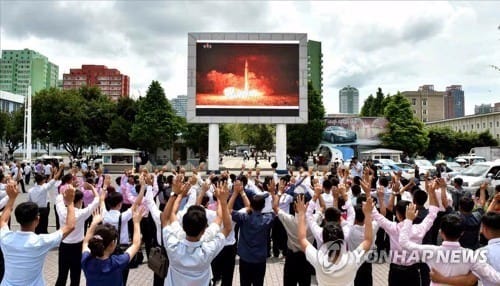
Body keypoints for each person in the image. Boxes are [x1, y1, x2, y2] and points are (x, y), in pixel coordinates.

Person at [400, 205, 500, 286]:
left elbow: (404, 243)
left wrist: (409, 220)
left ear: (441, 233)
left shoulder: (430, 251)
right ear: (462, 233)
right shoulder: (471, 255)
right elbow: (496, 278)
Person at [0, 181, 76, 285]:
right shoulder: (41, 241)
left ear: (17, 219)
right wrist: (70, 203)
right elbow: (70, 226)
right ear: (37, 219)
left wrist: (12, 198)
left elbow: (3, 221)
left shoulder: (6, 238)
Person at [162, 175, 232, 286]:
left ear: (183, 226)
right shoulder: (208, 248)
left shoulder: (173, 244)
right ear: (204, 229)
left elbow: (166, 218)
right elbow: (226, 226)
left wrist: (175, 194)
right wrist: (222, 201)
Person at [297, 194, 374, 286]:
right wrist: (368, 214)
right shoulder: (352, 259)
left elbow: (302, 239)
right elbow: (368, 241)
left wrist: (301, 214)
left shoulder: (318, 259)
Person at [228, 177, 275, 286]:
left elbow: (228, 210)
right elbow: (275, 208)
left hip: (245, 258)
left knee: (244, 283)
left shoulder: (244, 217)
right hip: (260, 259)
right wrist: (273, 193)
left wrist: (235, 193)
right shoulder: (267, 219)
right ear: (263, 206)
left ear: (251, 206)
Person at [81, 206, 144, 286]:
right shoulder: (117, 262)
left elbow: (85, 242)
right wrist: (136, 222)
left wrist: (94, 223)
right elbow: (136, 244)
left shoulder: (86, 260)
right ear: (112, 244)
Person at [55, 182, 100, 286]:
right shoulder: (81, 213)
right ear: (80, 201)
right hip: (77, 247)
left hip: (64, 245)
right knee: (75, 275)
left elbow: (59, 197)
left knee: (62, 274)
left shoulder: (61, 210)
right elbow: (97, 200)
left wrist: (70, 190)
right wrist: (92, 187)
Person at [28, 165, 64, 234]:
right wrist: (61, 169)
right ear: (43, 180)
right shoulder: (44, 188)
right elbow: (55, 179)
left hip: (34, 209)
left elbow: (28, 202)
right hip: (43, 209)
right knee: (44, 225)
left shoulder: (30, 190)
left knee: (36, 225)